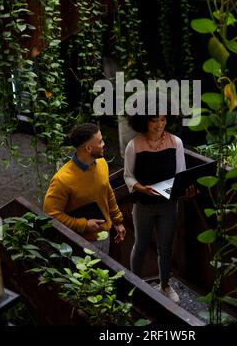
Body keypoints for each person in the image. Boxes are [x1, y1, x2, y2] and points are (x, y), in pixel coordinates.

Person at [124, 103, 194, 303]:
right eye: (154, 119)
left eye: (163, 119)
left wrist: (186, 190)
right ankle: (134, 286)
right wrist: (141, 188)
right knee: (140, 245)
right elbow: (128, 177)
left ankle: (165, 285)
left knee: (166, 247)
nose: (159, 124)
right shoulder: (134, 145)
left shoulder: (176, 143)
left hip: (168, 205)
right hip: (143, 205)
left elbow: (181, 175)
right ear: (144, 120)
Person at [43, 122, 126, 254]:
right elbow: (51, 214)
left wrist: (118, 221)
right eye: (100, 142)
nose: (104, 144)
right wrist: (83, 225)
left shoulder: (102, 163)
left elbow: (106, 190)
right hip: (79, 244)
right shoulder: (62, 180)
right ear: (88, 148)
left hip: (105, 237)